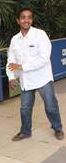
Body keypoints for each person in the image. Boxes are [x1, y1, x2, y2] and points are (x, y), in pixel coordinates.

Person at [6, 7, 64, 141]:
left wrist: (21, 66)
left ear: (31, 20)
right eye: (23, 17)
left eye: (29, 17)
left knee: (50, 106)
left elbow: (43, 58)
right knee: (25, 108)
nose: (26, 20)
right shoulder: (15, 39)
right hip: (26, 81)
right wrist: (11, 77)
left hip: (42, 77)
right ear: (18, 21)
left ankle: (58, 128)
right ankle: (25, 132)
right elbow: (11, 60)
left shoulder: (40, 35)